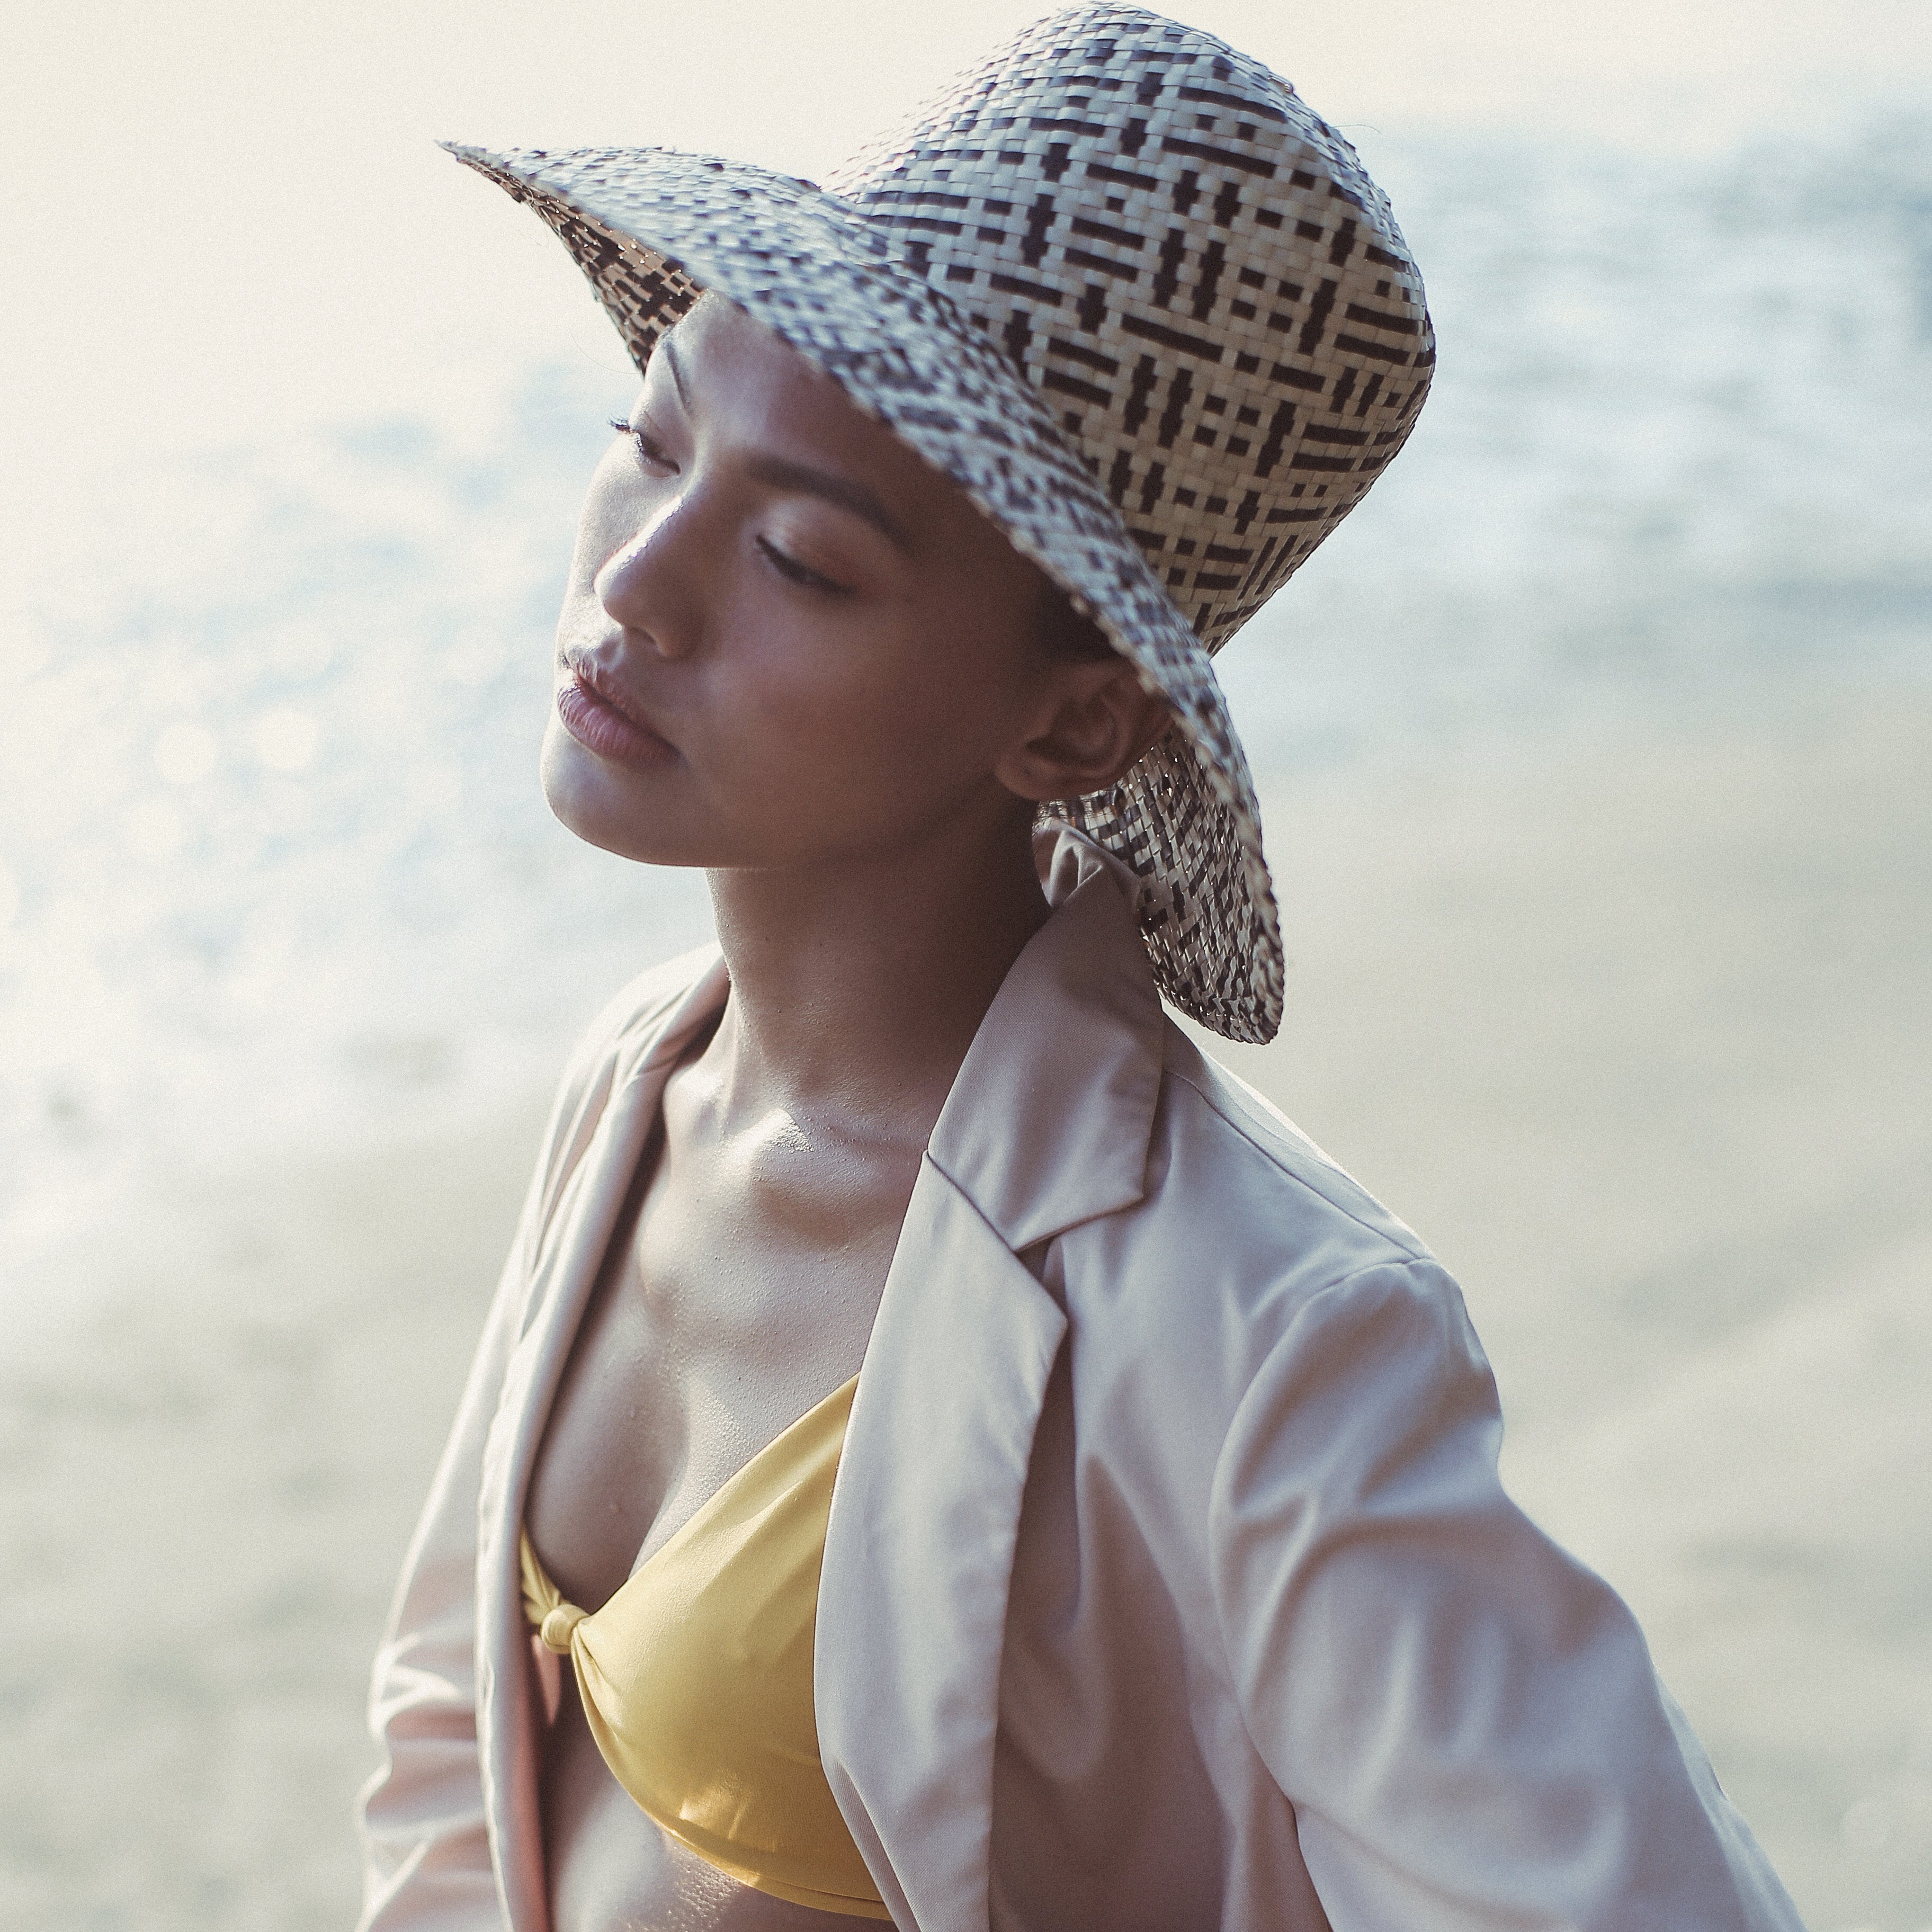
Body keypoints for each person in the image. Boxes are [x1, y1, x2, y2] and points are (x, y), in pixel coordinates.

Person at [356, 8, 1808, 1928]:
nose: (638, 577)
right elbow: (452, 1741)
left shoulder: (1261, 1327)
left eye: (799, 556)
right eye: (652, 438)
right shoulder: (642, 1083)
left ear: (1070, 726)